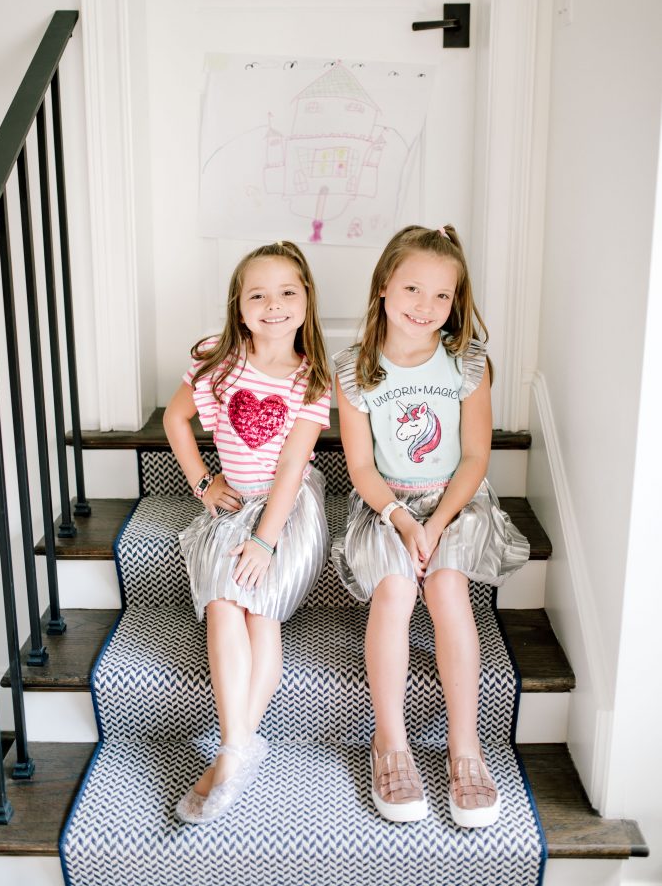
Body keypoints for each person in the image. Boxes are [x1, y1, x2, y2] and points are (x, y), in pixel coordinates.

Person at [332, 224, 529, 828]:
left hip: (454, 503)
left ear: (456, 301)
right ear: (384, 286)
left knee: (446, 588)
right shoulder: (354, 368)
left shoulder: (466, 362)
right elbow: (361, 466)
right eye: (413, 288)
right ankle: (389, 744)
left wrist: (438, 523)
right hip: (385, 504)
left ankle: (464, 747)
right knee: (393, 591)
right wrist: (398, 518)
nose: (426, 306)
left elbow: (474, 456)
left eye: (442, 295)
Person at [164, 241, 332, 824]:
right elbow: (173, 418)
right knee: (222, 604)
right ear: (239, 308)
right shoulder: (218, 359)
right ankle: (240, 746)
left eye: (288, 292)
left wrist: (265, 540)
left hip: (287, 511)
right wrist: (203, 483)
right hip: (232, 503)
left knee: (260, 611)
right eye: (257, 294)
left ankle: (230, 754)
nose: (273, 305)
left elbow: (290, 468)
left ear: (307, 302)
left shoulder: (311, 378)